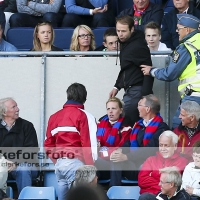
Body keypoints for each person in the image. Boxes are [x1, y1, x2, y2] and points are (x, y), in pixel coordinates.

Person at [141, 14, 200, 129]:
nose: (177, 31)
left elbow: (170, 74)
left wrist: (152, 71)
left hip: (193, 96)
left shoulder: (186, 47)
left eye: (179, 28)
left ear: (187, 30)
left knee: (179, 128)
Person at [44, 83, 98, 200]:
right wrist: (91, 170)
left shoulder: (54, 117)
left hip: (60, 166)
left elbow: (48, 145)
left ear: (68, 96)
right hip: (76, 165)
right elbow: (89, 146)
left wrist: (58, 161)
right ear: (84, 98)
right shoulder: (85, 116)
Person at [104, 94, 169, 186]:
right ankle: (113, 192)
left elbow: (150, 149)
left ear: (147, 109)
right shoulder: (138, 125)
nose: (137, 107)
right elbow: (129, 143)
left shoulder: (162, 128)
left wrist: (127, 157)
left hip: (149, 166)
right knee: (116, 159)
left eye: (140, 105)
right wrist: (119, 151)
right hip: (134, 164)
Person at [109, 15, 154, 127]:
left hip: (137, 91)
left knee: (127, 122)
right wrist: (116, 87)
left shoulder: (138, 46)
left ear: (132, 29)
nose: (120, 34)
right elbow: (126, 68)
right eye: (118, 31)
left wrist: (145, 97)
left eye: (123, 31)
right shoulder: (126, 42)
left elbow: (148, 71)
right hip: (129, 90)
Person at [0, 97, 39, 194]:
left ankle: (25, 197)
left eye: (16, 106)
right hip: (3, 165)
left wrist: (15, 162)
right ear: (4, 113)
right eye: (14, 107)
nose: (18, 109)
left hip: (25, 165)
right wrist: (4, 162)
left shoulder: (27, 126)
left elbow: (32, 149)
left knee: (23, 168)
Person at [138, 131, 188, 199]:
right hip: (149, 196)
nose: (163, 149)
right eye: (161, 145)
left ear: (175, 146)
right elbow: (142, 181)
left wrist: (152, 176)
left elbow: (172, 183)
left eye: (166, 145)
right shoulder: (150, 160)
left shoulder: (182, 161)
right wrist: (163, 183)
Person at [95, 97, 131, 180]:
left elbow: (121, 150)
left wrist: (102, 150)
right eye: (108, 109)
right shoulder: (99, 125)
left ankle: (113, 190)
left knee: (116, 159)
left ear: (121, 110)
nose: (110, 111)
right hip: (103, 162)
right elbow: (94, 148)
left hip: (117, 163)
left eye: (114, 108)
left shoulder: (126, 128)